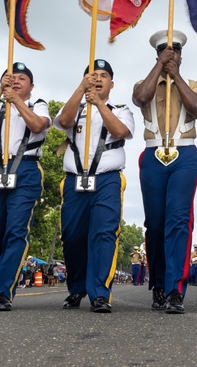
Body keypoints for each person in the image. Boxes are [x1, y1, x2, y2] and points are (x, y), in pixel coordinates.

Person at [132, 30, 197, 314]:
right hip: (153, 154)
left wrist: (175, 76)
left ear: (181, 55)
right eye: (165, 50)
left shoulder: (194, 84)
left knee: (178, 220)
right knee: (155, 223)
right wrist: (159, 68)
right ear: (157, 54)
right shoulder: (144, 82)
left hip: (184, 153)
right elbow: (140, 98)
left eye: (175, 50)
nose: (170, 54)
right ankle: (159, 284)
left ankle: (176, 289)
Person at [56, 58, 135, 313]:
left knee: (104, 234)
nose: (98, 78)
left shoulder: (120, 109)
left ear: (112, 83)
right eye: (92, 74)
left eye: (103, 75)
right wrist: (81, 90)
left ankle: (100, 293)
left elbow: (120, 131)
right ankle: (77, 288)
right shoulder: (75, 107)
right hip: (74, 180)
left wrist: (99, 103)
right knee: (72, 236)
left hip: (107, 179)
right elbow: (64, 122)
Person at [0, 61, 50, 311]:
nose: (16, 81)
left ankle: (3, 291)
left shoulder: (37, 104)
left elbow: (38, 126)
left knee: (16, 231)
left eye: (21, 78)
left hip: (25, 169)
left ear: (31, 84)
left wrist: (16, 101)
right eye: (10, 78)